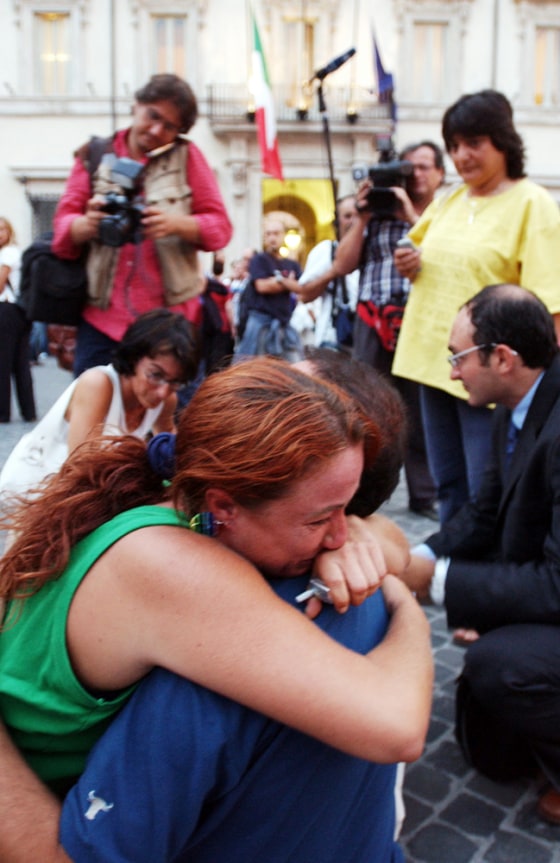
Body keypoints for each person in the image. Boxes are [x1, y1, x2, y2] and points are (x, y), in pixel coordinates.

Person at [0, 350, 423, 863]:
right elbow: (396, 725)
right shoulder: (173, 568)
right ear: (224, 507)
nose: (337, 537)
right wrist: (404, 606)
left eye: (347, 515)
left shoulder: (182, 503)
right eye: (320, 520)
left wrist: (359, 537)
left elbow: (382, 531)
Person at [401, 283, 560, 824]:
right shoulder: (513, 404)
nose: (450, 372)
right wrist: (413, 556)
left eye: (457, 357)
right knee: (486, 738)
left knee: (499, 667)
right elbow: (484, 515)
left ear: (502, 358)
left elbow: (556, 585)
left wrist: (434, 580)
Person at [392, 89, 560, 525]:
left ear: (502, 142)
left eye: (473, 143)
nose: (462, 156)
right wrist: (409, 261)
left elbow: (551, 305)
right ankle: (452, 574)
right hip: (434, 359)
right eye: (454, 146)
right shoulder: (450, 199)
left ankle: (487, 579)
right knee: (448, 483)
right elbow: (418, 250)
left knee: (489, 490)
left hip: (491, 371)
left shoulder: (533, 204)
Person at [51, 73, 232, 376]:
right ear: (136, 105)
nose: (157, 130)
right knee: (93, 417)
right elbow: (62, 234)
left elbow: (220, 229)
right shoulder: (94, 155)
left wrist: (176, 224)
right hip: (102, 321)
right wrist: (88, 223)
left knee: (174, 419)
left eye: (170, 127)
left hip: (171, 322)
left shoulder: (187, 158)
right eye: (153, 115)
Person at [335, 141, 444, 521]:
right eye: (407, 167)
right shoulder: (374, 216)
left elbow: (448, 255)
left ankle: (425, 494)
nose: (413, 175)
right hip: (371, 316)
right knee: (365, 405)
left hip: (420, 318)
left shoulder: (441, 215)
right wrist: (363, 216)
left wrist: (411, 214)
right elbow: (342, 264)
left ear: (439, 175)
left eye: (422, 167)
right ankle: (359, 490)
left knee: (418, 408)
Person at [0, 308, 199, 498]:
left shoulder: (166, 402)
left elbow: (175, 453)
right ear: (133, 358)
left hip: (85, 497)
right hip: (33, 490)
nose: (163, 391)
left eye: (175, 382)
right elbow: (82, 466)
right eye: (155, 375)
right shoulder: (98, 383)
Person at [295, 194, 360, 350]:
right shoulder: (326, 251)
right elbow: (304, 295)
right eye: (347, 216)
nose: (353, 221)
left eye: (358, 215)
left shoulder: (375, 248)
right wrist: (333, 272)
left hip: (368, 341)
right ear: (337, 222)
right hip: (333, 338)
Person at [234, 219, 304, 360]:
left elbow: (302, 288)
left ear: (283, 235)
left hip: (283, 325)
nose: (272, 238)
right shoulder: (259, 260)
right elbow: (262, 286)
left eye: (276, 233)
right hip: (259, 326)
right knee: (252, 371)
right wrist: (288, 282)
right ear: (264, 237)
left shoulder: (292, 264)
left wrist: (278, 280)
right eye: (269, 234)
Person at [0, 217, 36, 423]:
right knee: (20, 363)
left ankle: (2, 413)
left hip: (6, 309)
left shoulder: (8, 253)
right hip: (18, 311)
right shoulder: (13, 252)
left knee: (4, 363)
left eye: (3, 229)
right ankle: (28, 411)